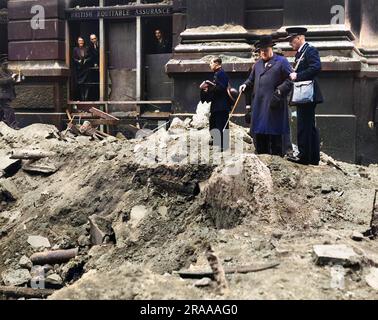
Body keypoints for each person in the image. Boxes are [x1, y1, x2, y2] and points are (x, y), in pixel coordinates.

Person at [240, 35, 293, 156]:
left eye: (265, 50)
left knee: (274, 132)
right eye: (261, 51)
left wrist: (280, 91)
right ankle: (262, 156)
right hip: (259, 105)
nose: (263, 53)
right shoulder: (257, 64)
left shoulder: (281, 62)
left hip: (274, 103)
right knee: (260, 132)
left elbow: (290, 79)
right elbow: (251, 79)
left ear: (271, 49)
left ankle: (277, 158)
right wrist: (245, 85)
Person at [285, 27, 324, 165]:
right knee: (309, 126)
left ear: (300, 38)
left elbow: (316, 67)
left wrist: (298, 75)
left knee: (304, 125)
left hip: (307, 94)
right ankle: (313, 157)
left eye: (292, 40)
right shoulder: (301, 52)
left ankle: (303, 156)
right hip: (305, 93)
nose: (290, 43)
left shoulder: (310, 50)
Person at [200, 57, 233, 152]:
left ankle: (224, 145)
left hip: (221, 105)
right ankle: (217, 141)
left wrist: (209, 87)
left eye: (211, 63)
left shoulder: (221, 74)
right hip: (217, 104)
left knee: (221, 124)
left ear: (217, 64)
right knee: (214, 122)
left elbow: (221, 88)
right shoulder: (217, 73)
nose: (210, 65)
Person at [0, 55, 19, 129]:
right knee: (9, 109)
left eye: (7, 64)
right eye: (5, 64)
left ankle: (3, 124)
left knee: (1, 110)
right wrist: (11, 78)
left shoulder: (9, 71)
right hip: (2, 95)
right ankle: (13, 125)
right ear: (1, 64)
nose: (6, 65)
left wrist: (18, 79)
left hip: (9, 94)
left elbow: (12, 82)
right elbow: (1, 82)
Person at [73, 37, 91, 101]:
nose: (81, 42)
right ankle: (82, 98)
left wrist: (86, 60)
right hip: (79, 69)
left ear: (83, 41)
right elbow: (73, 58)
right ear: (77, 42)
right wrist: (78, 61)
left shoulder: (87, 48)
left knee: (86, 84)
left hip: (86, 69)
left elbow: (90, 57)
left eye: (82, 41)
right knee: (80, 84)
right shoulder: (75, 49)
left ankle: (86, 98)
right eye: (79, 41)